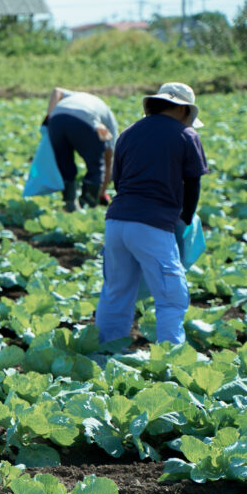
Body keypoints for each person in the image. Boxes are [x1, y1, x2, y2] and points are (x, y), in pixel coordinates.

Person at [94, 82, 209, 345]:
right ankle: (171, 353)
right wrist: (185, 220)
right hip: (153, 225)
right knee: (171, 294)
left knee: (116, 290)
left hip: (116, 222)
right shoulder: (186, 136)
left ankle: (107, 348)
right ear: (184, 110)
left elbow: (119, 181)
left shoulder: (128, 133)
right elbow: (193, 184)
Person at [43, 87, 118, 211]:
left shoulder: (74, 95)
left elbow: (56, 91)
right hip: (85, 120)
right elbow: (108, 162)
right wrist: (102, 193)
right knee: (96, 167)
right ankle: (88, 206)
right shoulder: (110, 119)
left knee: (64, 165)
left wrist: (48, 117)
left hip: (57, 119)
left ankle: (69, 205)